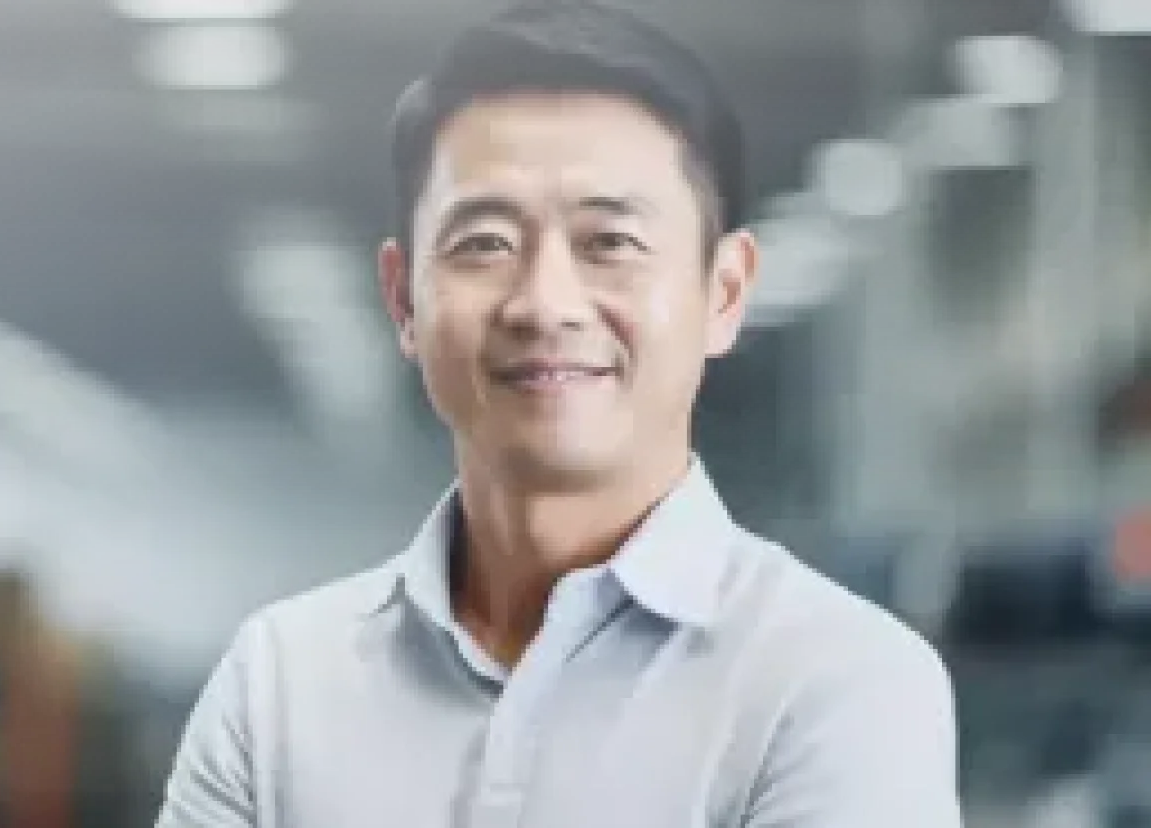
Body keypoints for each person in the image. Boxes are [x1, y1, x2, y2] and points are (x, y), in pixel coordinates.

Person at [154, 2, 963, 826]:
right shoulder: (281, 683)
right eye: (484, 244)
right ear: (402, 298)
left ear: (723, 293)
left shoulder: (837, 681)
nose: (545, 303)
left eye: (608, 243)